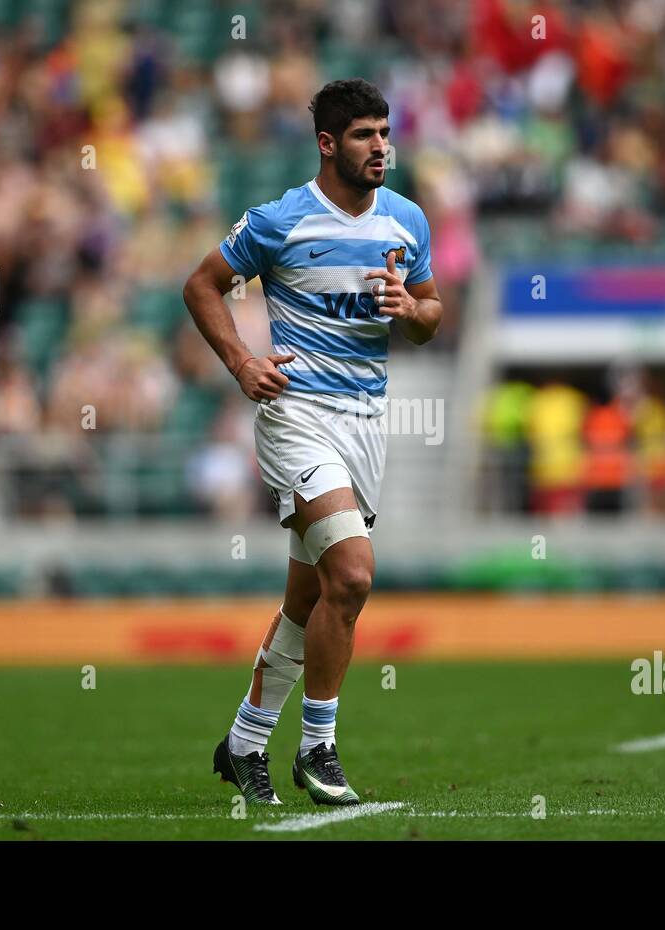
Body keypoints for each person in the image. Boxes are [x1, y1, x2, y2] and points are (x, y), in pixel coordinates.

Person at [183, 79, 443, 806]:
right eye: (364, 135)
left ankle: (242, 744)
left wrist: (410, 308)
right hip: (299, 418)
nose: (381, 147)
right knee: (353, 577)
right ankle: (319, 747)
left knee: (309, 601)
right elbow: (203, 285)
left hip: (366, 427)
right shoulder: (280, 221)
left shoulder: (407, 220)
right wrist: (241, 360)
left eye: (385, 132)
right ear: (328, 144)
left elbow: (432, 313)